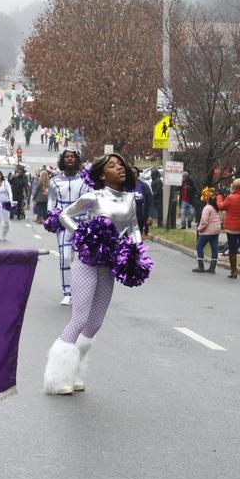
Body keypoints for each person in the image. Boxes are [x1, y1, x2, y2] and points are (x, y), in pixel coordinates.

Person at [42, 153, 140, 395]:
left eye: (121, 164)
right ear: (101, 174)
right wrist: (82, 233)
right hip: (87, 260)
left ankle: (72, 371)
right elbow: (64, 215)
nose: (119, 168)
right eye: (112, 165)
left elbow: (134, 228)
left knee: (95, 323)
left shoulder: (129, 199)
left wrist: (135, 251)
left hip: (109, 263)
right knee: (80, 318)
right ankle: (55, 379)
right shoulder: (92, 197)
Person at [49, 148, 88, 306]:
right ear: (62, 160)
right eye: (67, 157)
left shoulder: (86, 180)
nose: (70, 159)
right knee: (65, 257)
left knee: (82, 259)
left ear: (77, 160)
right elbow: (52, 201)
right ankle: (67, 292)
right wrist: (51, 215)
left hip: (83, 223)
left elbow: (93, 200)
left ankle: (82, 292)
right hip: (64, 223)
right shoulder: (54, 181)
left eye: (72, 157)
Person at [192, 188, 221, 273]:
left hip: (207, 232)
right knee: (214, 249)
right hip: (216, 231)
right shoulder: (216, 208)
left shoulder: (207, 208)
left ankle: (201, 266)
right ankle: (212, 268)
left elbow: (204, 221)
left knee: (199, 246)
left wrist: (199, 229)